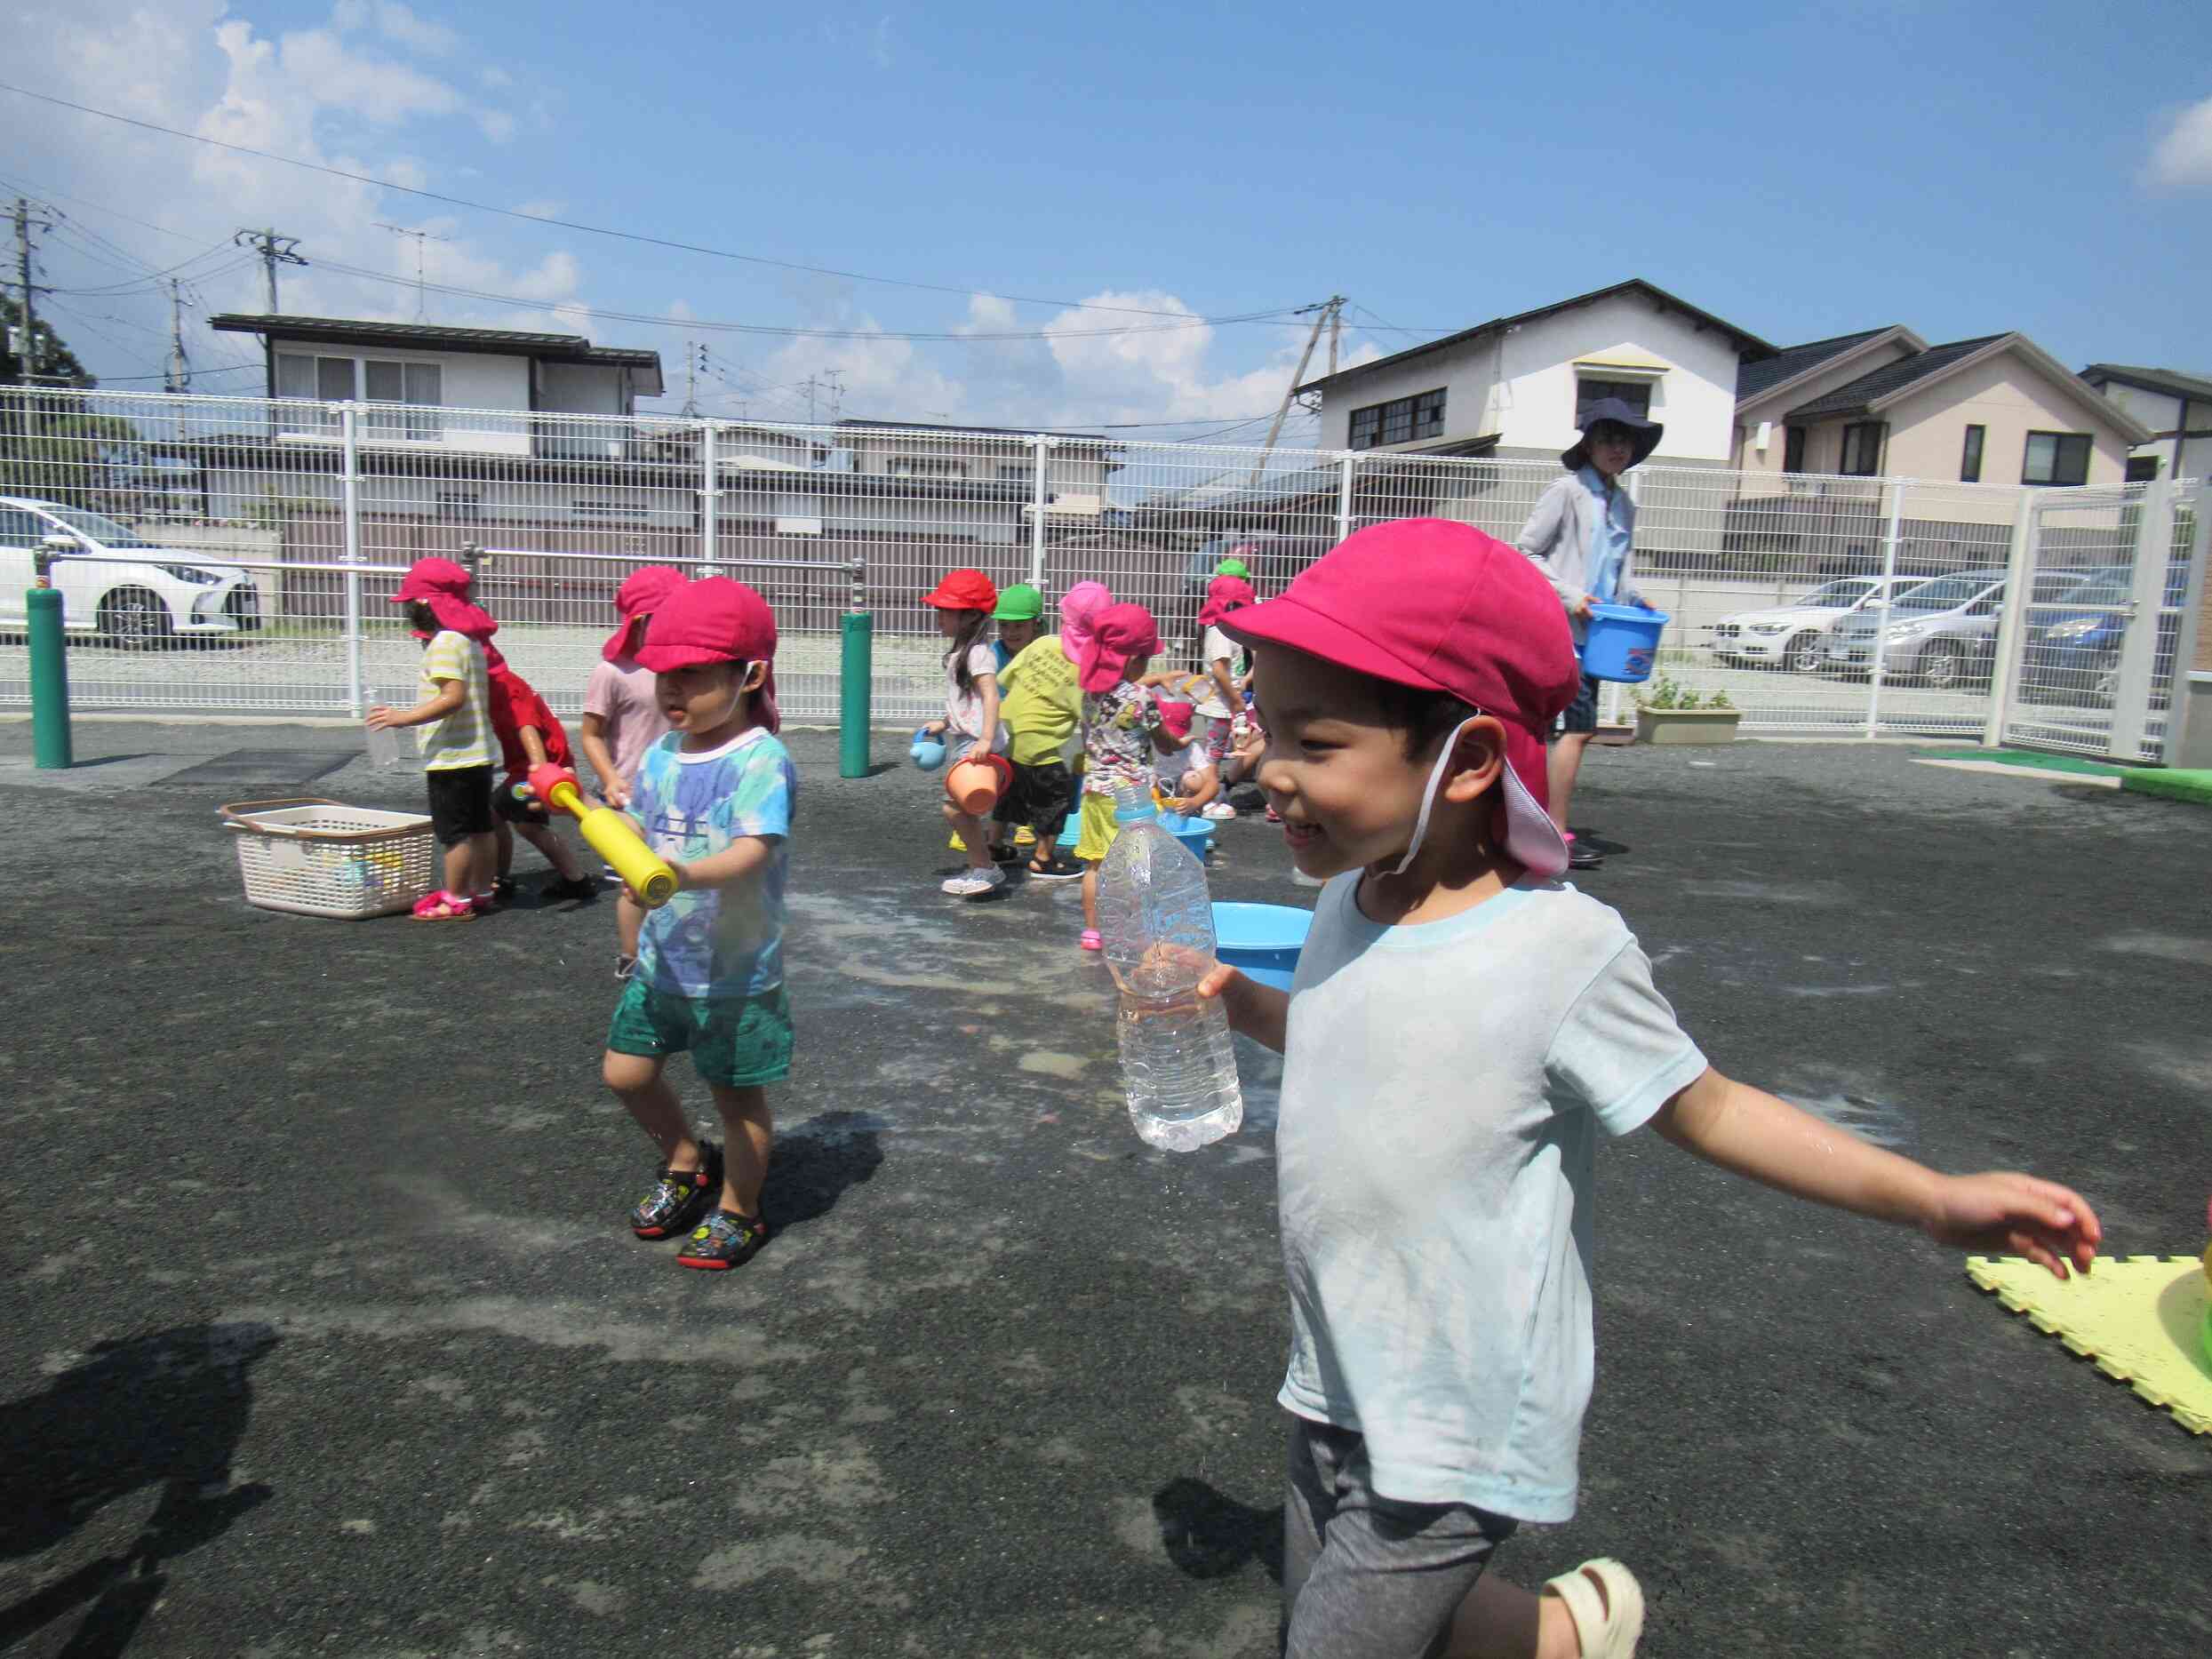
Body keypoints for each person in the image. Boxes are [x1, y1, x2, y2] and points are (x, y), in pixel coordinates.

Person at [1197, 518, 2100, 1659]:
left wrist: (1930, 1197)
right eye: (1266, 729)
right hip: (1334, 1367)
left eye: (1313, 743)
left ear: (1469, 762)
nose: (1266, 768)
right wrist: (1247, 1008)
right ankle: (1569, 1631)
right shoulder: (1347, 904)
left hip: (1457, 1398)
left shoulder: (1558, 951)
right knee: (1354, 1599)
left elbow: (1709, 1106)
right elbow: (1354, 1043)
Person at [602, 578, 796, 1272]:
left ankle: (739, 1208)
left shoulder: (758, 759)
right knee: (625, 1073)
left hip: (734, 969)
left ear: (750, 674)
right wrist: (601, 821)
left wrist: (679, 872)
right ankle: (686, 1159)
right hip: (663, 959)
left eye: (691, 674)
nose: (672, 690)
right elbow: (645, 829)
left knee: (735, 1096)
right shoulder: (659, 757)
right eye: (663, 675)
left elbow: (752, 850)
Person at [1514, 398, 1661, 873]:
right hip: (1558, 628)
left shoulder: (1623, 503)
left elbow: (1613, 571)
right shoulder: (1567, 490)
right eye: (1608, 438)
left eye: (1626, 440)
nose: (1618, 447)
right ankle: (1553, 833)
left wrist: (1635, 599)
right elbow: (1527, 553)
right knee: (1571, 730)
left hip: (1598, 636)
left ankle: (1534, 826)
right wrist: (1569, 596)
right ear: (1590, 444)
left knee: (1563, 730)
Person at [367, 559, 499, 921]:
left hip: (452, 757)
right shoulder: (469, 641)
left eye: (411, 603)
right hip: (478, 753)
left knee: (454, 834)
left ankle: (455, 899)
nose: (408, 610)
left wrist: (401, 718)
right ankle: (482, 890)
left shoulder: (444, 643)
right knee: (480, 827)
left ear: (424, 603)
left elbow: (452, 697)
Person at [582, 566, 687, 978]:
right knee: (636, 884)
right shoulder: (613, 671)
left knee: (678, 877)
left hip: (678, 790)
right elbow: (592, 735)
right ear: (641, 621)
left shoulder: (684, 670)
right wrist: (609, 777)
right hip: (629, 796)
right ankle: (631, 957)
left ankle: (672, 956)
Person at [1073, 602, 1170, 952]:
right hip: (1132, 795)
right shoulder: (1143, 698)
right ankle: (1136, 933)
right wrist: (1178, 742)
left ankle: (1093, 932)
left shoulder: (1089, 695)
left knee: (1096, 864)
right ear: (1132, 660)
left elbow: (1089, 738)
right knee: (1137, 864)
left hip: (1096, 790)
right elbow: (1164, 741)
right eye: (1144, 658)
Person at [920, 568, 1008, 898]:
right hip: (966, 739)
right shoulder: (962, 653)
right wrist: (944, 722)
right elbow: (967, 700)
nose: (939, 616)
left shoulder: (978, 653)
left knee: (958, 808)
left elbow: (990, 695)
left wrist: (985, 740)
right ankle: (983, 865)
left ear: (971, 616)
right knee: (957, 808)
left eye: (946, 610)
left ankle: (984, 867)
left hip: (976, 743)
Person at [484, 658, 598, 905]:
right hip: (538, 767)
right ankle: (576, 879)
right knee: (528, 825)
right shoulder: (490, 686)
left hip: (539, 769)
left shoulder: (506, 687)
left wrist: (539, 771)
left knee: (495, 812)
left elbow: (526, 726)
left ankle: (498, 877)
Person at [993, 585, 1085, 882]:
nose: (1011, 632)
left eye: (1018, 625)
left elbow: (1004, 677)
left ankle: (994, 845)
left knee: (1008, 791)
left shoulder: (1040, 645)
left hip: (1007, 731)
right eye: (1005, 625)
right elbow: (1086, 712)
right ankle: (1043, 858)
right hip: (1040, 743)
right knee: (1056, 796)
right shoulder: (1081, 665)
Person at [1194, 573, 1257, 821]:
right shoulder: (1219, 631)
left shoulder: (1225, 628)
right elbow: (1219, 670)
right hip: (1220, 705)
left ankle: (1213, 794)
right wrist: (1236, 700)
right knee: (1214, 754)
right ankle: (1206, 801)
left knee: (1224, 751)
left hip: (1228, 702)